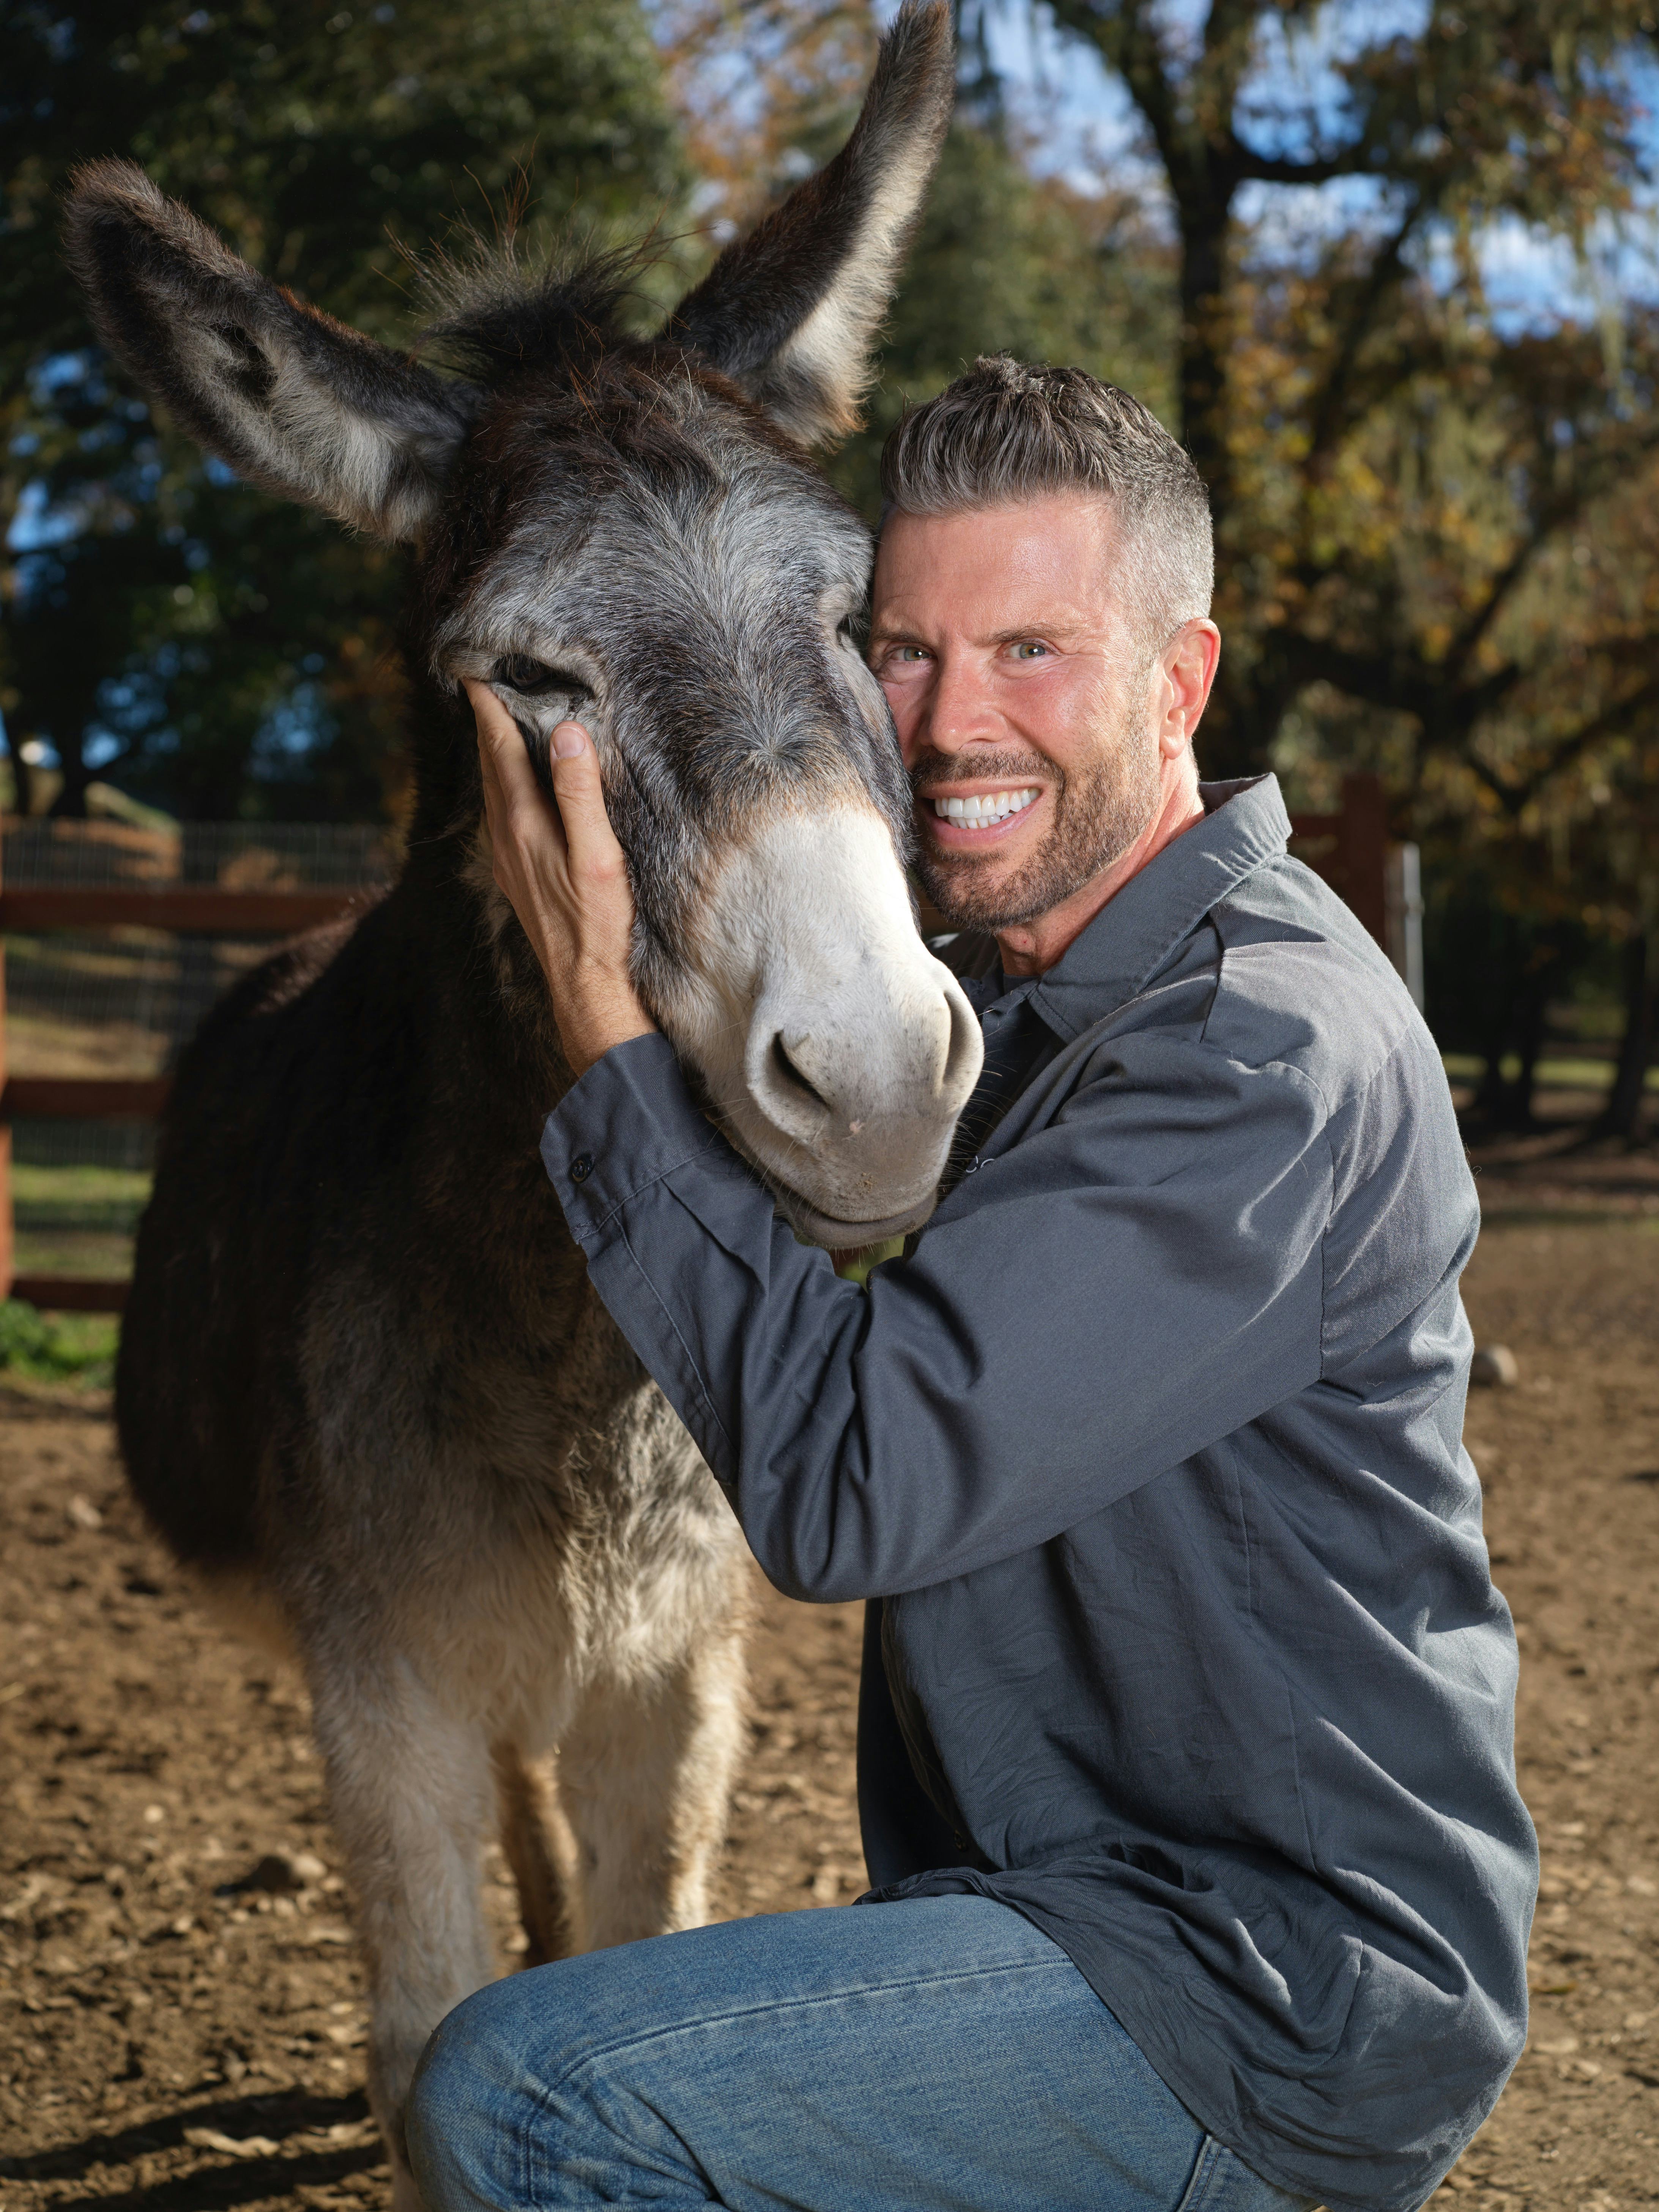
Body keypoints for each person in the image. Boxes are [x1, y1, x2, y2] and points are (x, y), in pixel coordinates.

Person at [406, 358, 1536, 2212]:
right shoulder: (1028, 998)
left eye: (1030, 650)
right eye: (898, 650)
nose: (940, 726)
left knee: (528, 2092)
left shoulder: (1256, 1048)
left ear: (1181, 683)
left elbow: (860, 1478)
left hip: (1252, 1984)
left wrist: (601, 1021)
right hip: (1065, 1912)